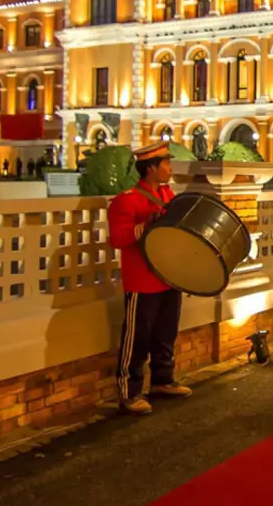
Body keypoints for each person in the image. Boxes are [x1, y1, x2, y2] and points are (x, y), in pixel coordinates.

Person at [108, 142, 194, 416]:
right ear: (152, 168)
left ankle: (162, 380)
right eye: (166, 164)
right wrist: (146, 225)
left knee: (165, 334)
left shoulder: (169, 195)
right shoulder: (127, 200)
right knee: (137, 339)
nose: (170, 168)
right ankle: (129, 392)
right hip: (143, 280)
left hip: (169, 277)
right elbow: (118, 238)